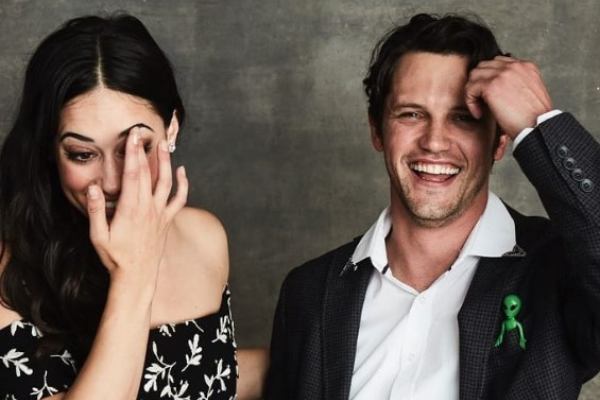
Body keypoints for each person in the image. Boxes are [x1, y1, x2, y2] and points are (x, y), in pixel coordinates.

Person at [266, 13, 600, 400]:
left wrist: (537, 121)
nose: (435, 141)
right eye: (411, 114)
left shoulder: (559, 269)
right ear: (377, 130)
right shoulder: (308, 292)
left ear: (499, 141)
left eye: (463, 118)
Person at [0, 14, 264, 399]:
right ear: (49, 150)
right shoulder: (8, 266)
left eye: (135, 148)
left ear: (171, 129)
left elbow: (206, 379)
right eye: (82, 154)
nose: (111, 182)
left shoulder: (203, 236)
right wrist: (133, 273)